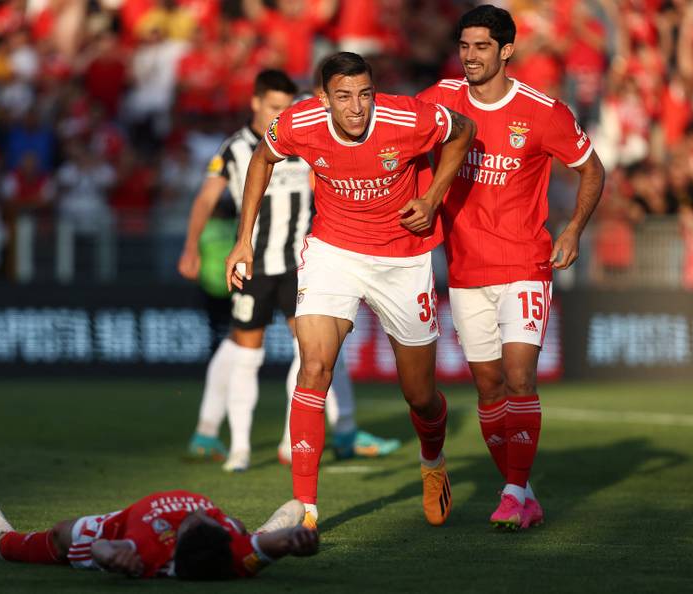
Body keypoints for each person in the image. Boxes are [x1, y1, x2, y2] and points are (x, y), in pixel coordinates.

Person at [226, 52, 476, 528]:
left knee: (419, 394)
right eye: (343, 97)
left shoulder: (406, 117)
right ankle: (306, 510)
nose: (357, 108)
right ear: (323, 99)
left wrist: (432, 198)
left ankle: (432, 459)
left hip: (403, 257)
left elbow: (464, 130)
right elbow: (262, 158)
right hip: (333, 251)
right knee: (313, 366)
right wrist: (244, 240)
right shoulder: (299, 122)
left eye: (364, 94)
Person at [417, 5, 605, 530]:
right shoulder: (440, 100)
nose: (470, 56)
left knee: (520, 378)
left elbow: (592, 169)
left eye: (481, 46)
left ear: (506, 51)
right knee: (488, 389)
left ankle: (513, 491)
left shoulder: (543, 111)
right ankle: (524, 493)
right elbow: (394, 128)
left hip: (525, 263)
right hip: (466, 268)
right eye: (464, 46)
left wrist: (572, 229)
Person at [178, 69, 399, 472]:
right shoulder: (235, 149)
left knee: (314, 350)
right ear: (256, 103)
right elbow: (206, 197)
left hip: (301, 265)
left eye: (286, 107)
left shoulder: (301, 140)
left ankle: (293, 440)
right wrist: (191, 246)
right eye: (273, 107)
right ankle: (230, 441)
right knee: (244, 349)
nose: (280, 115)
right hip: (255, 265)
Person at [0, 488, 318, 580]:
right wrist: (293, 539)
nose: (199, 514)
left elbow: (103, 548)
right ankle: (265, 525)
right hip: (222, 547)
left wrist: (110, 557)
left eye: (194, 522)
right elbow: (267, 544)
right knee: (241, 526)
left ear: (180, 535)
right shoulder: (231, 543)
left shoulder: (147, 546)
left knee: (62, 533)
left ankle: (4, 542)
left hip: (121, 524)